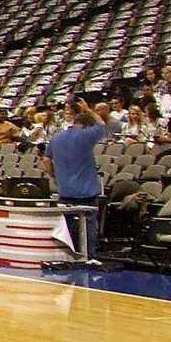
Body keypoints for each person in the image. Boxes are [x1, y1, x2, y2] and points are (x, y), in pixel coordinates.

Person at [42, 103, 105, 262]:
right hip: (87, 191)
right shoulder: (87, 135)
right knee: (89, 224)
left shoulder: (56, 138)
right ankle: (89, 256)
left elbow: (46, 160)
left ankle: (69, 255)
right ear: (87, 126)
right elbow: (101, 124)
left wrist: (54, 177)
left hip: (65, 190)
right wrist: (88, 109)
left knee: (67, 225)